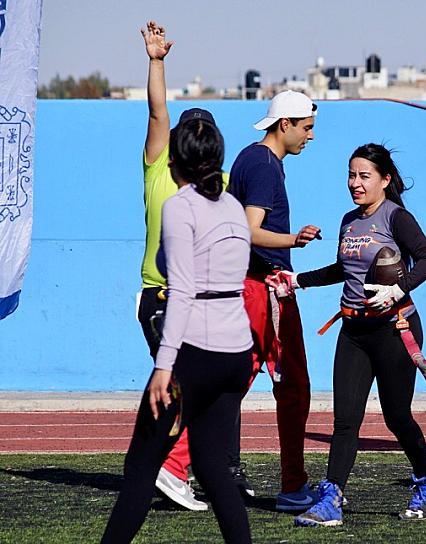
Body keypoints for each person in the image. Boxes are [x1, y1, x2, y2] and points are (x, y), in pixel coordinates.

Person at [102, 117, 254, 543]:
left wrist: (164, 366)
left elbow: (184, 290)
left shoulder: (180, 206)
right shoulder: (232, 206)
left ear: (176, 162)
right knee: (211, 464)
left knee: (141, 466)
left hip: (196, 354)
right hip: (236, 353)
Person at [287, 143, 426, 527]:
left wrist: (398, 289)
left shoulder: (396, 218)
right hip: (353, 331)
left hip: (394, 329)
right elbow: (343, 269)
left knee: (397, 417)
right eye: (351, 175)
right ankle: (332, 498)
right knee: (345, 420)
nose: (355, 183)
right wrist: (298, 280)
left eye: (364, 176)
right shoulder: (349, 220)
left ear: (385, 180)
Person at [137, 20, 229, 511]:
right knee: (189, 389)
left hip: (200, 300)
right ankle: (170, 469)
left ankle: (172, 467)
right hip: (162, 297)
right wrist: (156, 62)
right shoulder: (159, 165)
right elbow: (157, 111)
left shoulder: (221, 184)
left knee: (194, 388)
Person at [227, 90, 322, 510]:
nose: (310, 136)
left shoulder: (250, 158)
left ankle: (175, 465)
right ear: (285, 124)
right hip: (266, 290)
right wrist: (293, 240)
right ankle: (293, 486)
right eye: (307, 128)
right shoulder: (266, 165)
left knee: (228, 384)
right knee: (293, 387)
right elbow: (249, 230)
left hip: (249, 286)